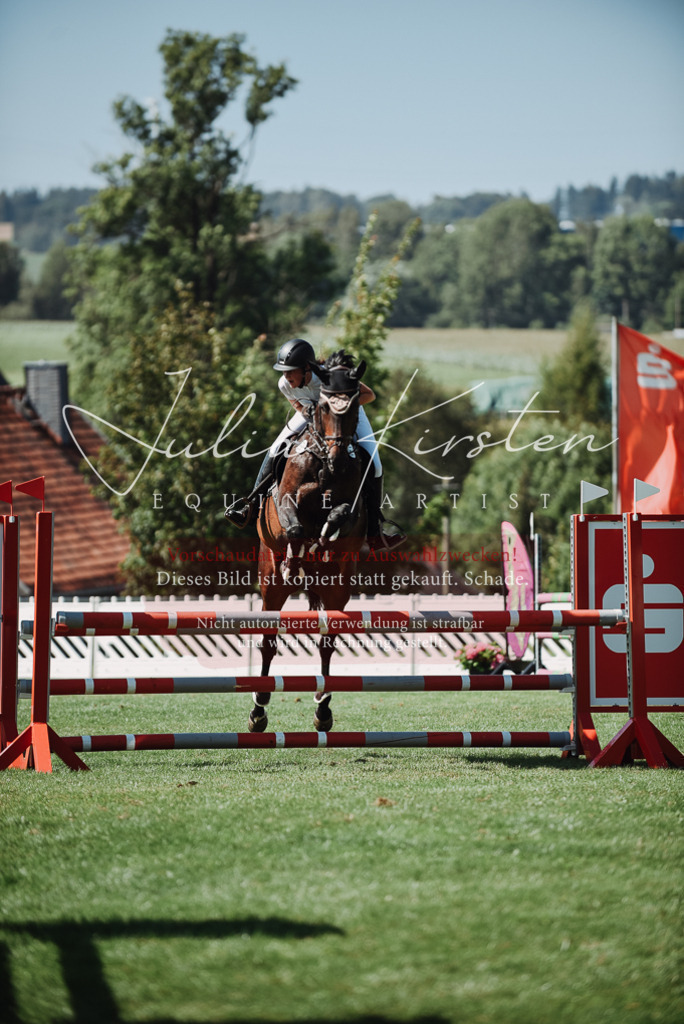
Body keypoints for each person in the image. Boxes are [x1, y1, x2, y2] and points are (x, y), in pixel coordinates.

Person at [225, 338, 404, 548]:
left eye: (291, 370)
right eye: (283, 371)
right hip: (311, 413)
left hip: (342, 416)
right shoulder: (284, 383)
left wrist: (341, 406)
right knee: (275, 449)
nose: (286, 375)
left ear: (307, 368)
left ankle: (375, 530)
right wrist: (306, 411)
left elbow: (368, 395)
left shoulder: (330, 378)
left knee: (375, 463)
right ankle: (251, 506)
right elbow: (295, 401)